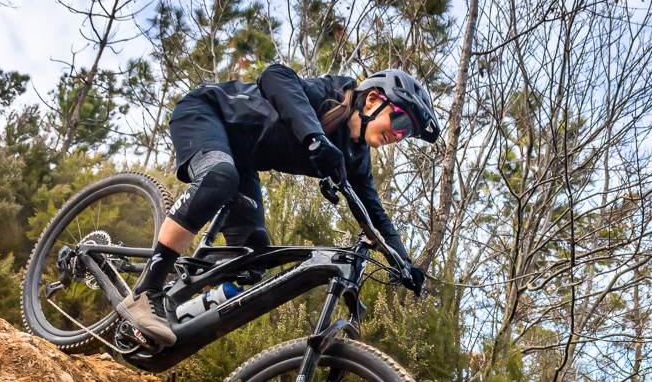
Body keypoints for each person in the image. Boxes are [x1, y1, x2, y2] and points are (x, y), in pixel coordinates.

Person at [120, 63, 439, 345]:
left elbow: (376, 217)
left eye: (407, 132)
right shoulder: (330, 95)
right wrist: (315, 137)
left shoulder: (356, 159)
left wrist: (405, 262)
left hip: (242, 162)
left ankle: (178, 311)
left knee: (251, 262)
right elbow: (274, 76)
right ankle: (146, 291)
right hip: (206, 112)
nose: (399, 135)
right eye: (400, 123)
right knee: (219, 176)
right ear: (372, 99)